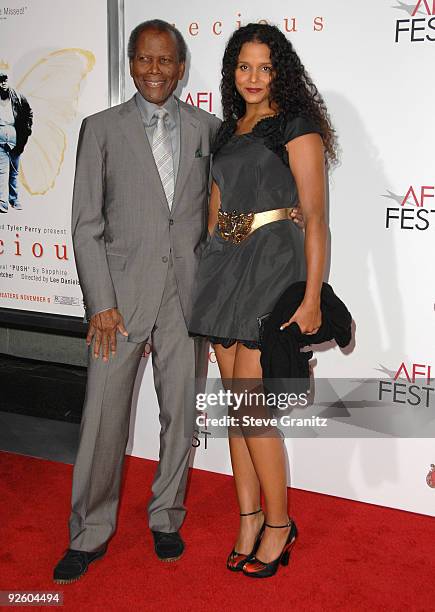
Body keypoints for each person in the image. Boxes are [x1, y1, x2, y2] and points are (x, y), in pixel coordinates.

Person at [53, 19, 222, 583]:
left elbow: (215, 215)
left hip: (186, 300)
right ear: (130, 65)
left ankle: (166, 517)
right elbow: (85, 224)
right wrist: (100, 301)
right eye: (145, 60)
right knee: (103, 419)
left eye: (166, 61)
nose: (156, 70)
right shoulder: (100, 129)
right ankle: (88, 532)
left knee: (180, 417)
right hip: (117, 305)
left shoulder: (207, 129)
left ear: (180, 67)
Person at [189, 23, 337, 578]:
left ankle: (280, 524)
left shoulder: (296, 127)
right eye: (243, 66)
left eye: (265, 67)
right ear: (232, 72)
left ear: (282, 72)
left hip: (272, 264)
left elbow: (316, 217)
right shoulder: (227, 132)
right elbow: (214, 208)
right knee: (236, 410)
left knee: (254, 410)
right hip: (224, 264)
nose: (253, 78)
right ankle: (248, 517)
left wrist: (313, 295)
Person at [0, 71, 32, 213]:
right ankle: (2, 203)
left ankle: (14, 199)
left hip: (16, 139)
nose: (3, 83)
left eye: (5, 80)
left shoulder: (18, 97)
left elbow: (28, 113)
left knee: (14, 172)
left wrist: (27, 130)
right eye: (1, 80)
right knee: (2, 171)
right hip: (0, 139)